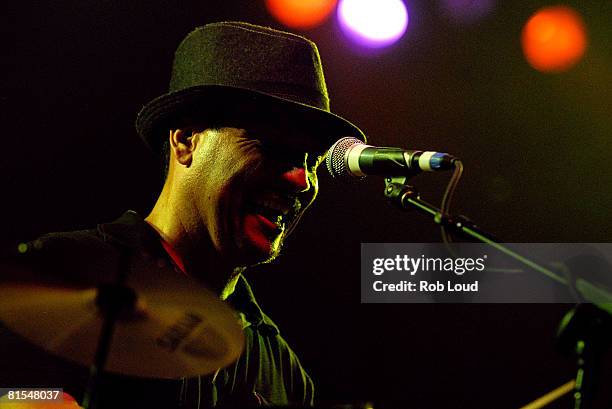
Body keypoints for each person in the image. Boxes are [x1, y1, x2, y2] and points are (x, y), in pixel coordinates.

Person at [0, 21, 365, 408]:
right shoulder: (54, 278)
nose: (302, 180)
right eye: (273, 147)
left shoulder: (284, 375)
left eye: (311, 160)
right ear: (186, 139)